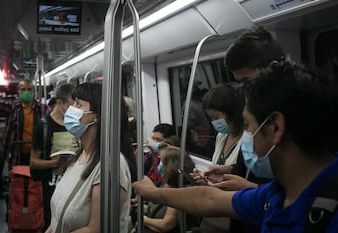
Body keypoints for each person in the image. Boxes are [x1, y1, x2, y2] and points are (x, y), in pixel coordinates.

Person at [133, 61, 338, 232]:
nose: (247, 137)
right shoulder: (276, 194)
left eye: (249, 126)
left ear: (276, 127)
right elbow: (210, 199)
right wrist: (152, 193)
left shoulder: (328, 210)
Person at [46, 82, 137, 233]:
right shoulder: (78, 157)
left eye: (78, 104)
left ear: (97, 116)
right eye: (73, 102)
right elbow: (58, 219)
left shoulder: (110, 165)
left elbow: (96, 229)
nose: (71, 109)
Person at [191, 83, 244, 233]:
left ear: (232, 112)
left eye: (217, 117)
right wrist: (206, 178)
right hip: (217, 208)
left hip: (234, 209)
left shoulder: (249, 138)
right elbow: (218, 172)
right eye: (211, 118)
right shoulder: (222, 136)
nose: (214, 122)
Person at [30, 83, 80, 231]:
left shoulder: (77, 125)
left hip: (73, 184)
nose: (74, 111)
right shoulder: (43, 126)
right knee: (51, 223)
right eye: (71, 106)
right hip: (51, 186)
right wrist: (56, 163)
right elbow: (33, 162)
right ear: (59, 103)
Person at [0, 78, 50, 167]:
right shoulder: (12, 107)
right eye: (23, 89)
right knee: (18, 179)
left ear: (35, 92)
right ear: (18, 92)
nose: (26, 92)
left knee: (37, 180)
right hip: (17, 153)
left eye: (29, 89)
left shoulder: (44, 109)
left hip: (38, 155)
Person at [142, 144, 199, 233]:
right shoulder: (168, 184)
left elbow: (166, 225)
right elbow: (159, 210)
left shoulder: (180, 191)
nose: (159, 165)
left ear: (170, 165)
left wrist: (143, 219)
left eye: (161, 162)